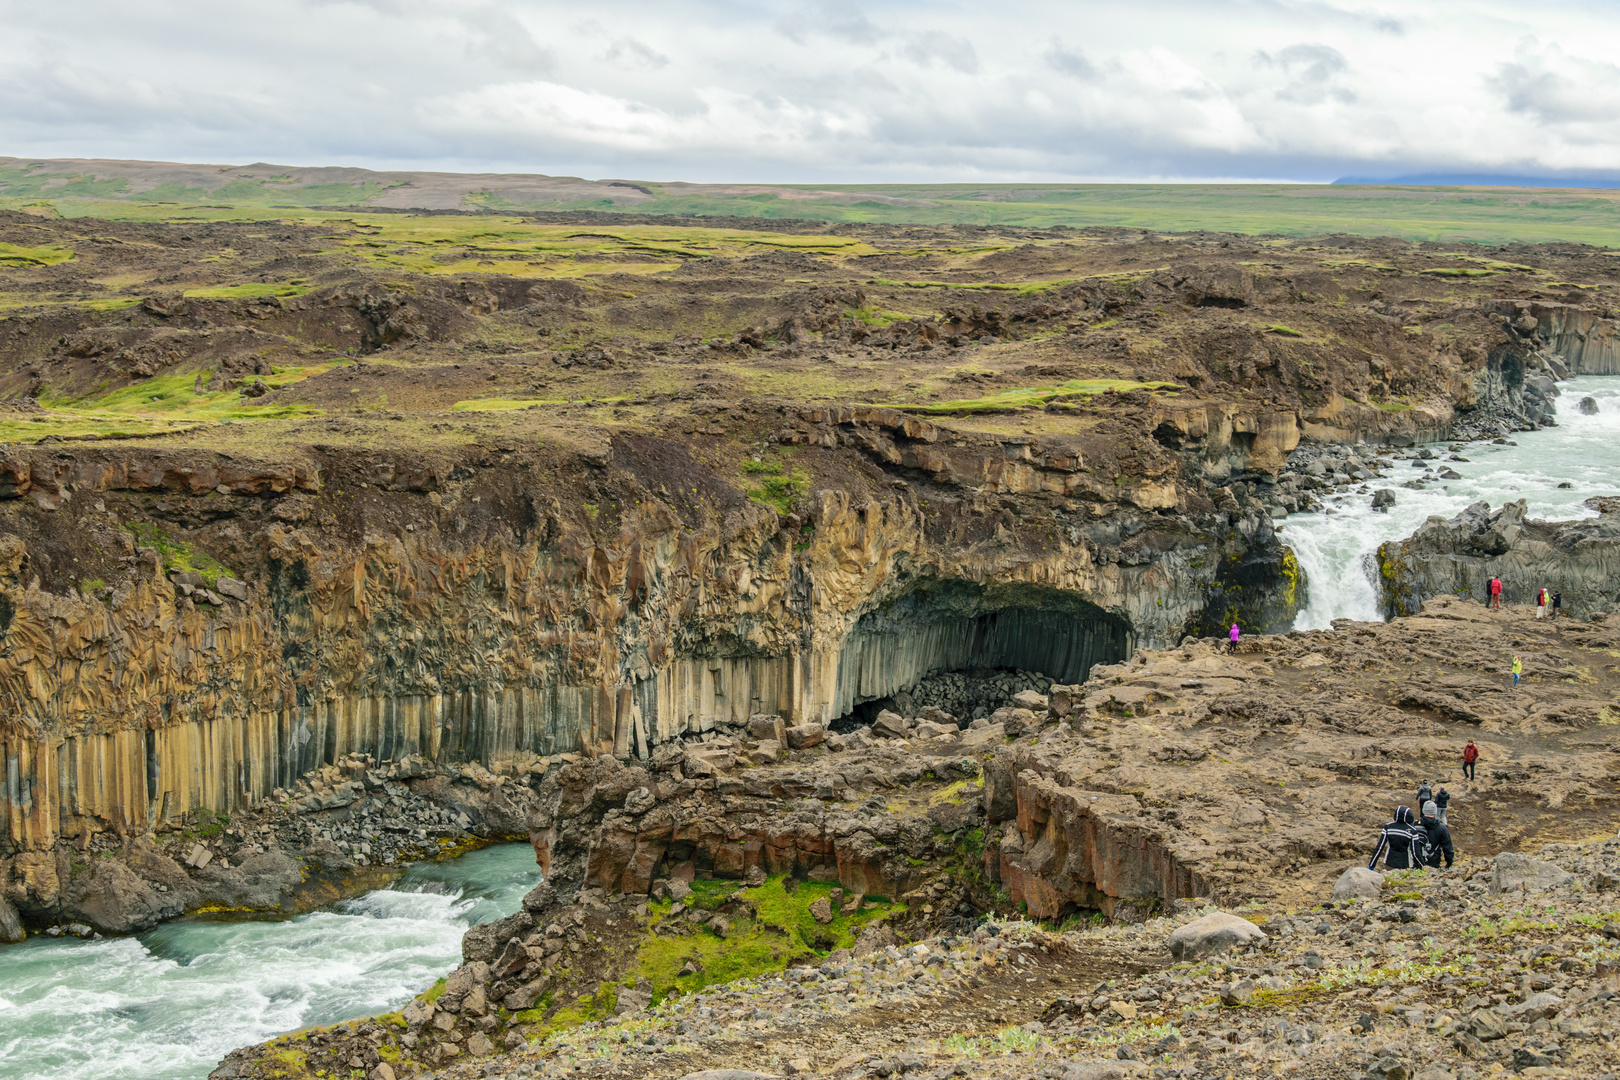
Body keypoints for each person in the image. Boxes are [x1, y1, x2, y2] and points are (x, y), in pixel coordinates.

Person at [1369, 805, 1427, 871]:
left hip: (1389, 863)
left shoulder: (1388, 827)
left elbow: (1379, 848)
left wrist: (1371, 865)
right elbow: (1416, 852)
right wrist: (1424, 867)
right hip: (1406, 865)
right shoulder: (1413, 831)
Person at [1420, 801, 1455, 869]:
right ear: (1435, 812)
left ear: (1423, 811)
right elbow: (1447, 848)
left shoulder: (1415, 825)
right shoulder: (1441, 828)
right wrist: (1449, 863)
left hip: (1417, 862)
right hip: (1434, 862)